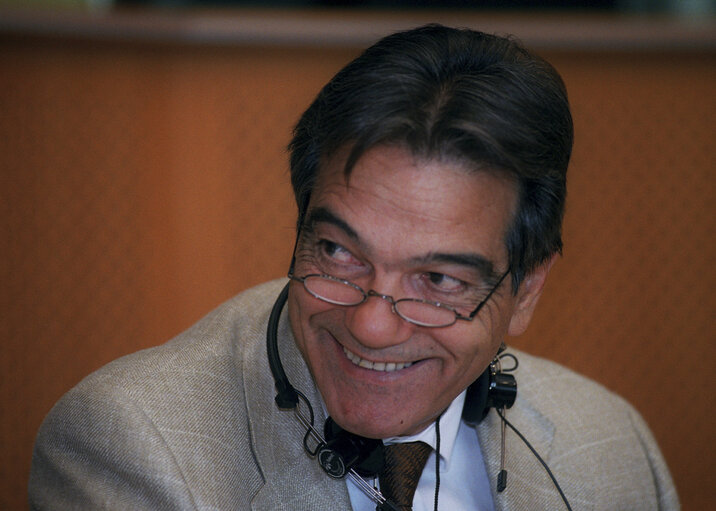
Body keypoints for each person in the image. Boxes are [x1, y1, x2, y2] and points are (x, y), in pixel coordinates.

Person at [29, 24, 679, 510]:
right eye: (338, 253)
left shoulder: (612, 449)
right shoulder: (128, 448)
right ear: (299, 230)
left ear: (527, 287)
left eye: (438, 281)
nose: (370, 324)